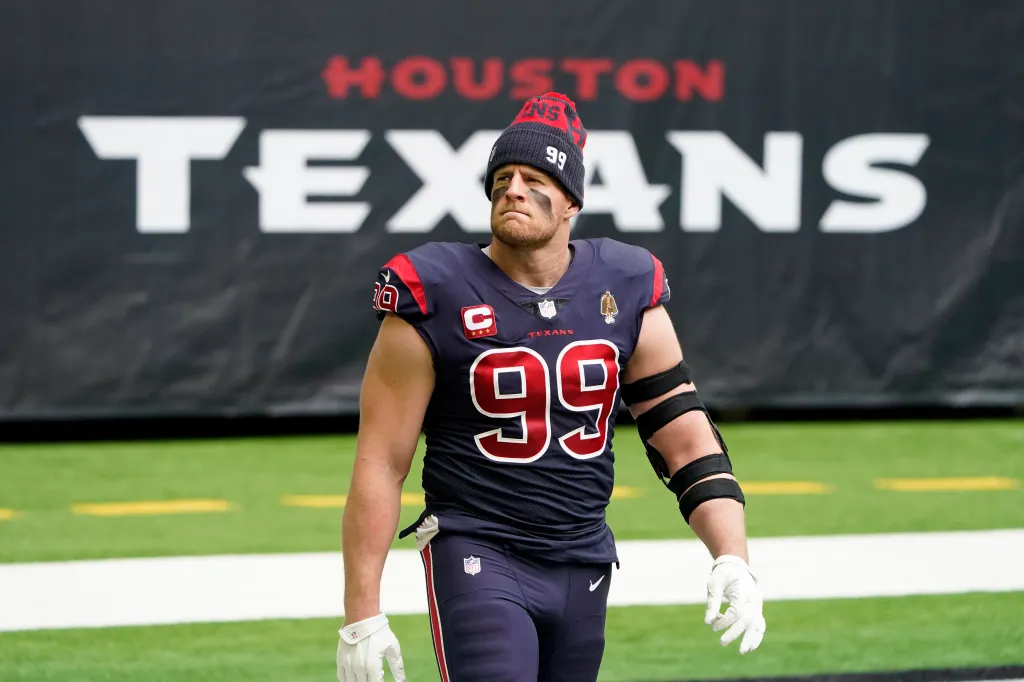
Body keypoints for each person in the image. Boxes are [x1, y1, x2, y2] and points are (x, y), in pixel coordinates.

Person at [336, 92, 765, 682]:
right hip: (477, 545)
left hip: (583, 555)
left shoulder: (627, 284)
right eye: (503, 176)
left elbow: (684, 437)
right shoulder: (435, 290)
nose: (513, 188)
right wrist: (362, 610)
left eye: (535, 178)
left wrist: (732, 555)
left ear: (570, 204)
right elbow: (382, 460)